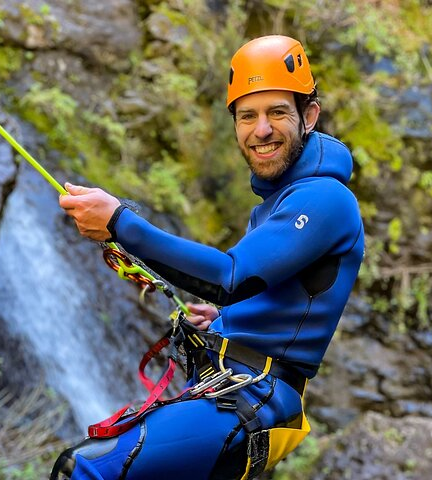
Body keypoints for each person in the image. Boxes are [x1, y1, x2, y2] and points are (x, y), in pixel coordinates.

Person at [52, 34, 364, 480]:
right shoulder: (281, 201)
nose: (262, 130)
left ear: (309, 115)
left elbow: (231, 276)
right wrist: (222, 319)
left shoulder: (326, 198)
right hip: (233, 390)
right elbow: (276, 291)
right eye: (247, 116)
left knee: (83, 469)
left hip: (253, 397)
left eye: (278, 112)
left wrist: (120, 221)